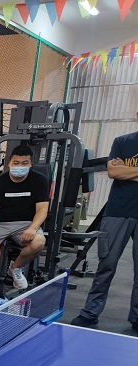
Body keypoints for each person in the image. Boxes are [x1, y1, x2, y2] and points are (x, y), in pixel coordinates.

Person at [71, 114, 138, 332]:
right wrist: (120, 171)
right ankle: (90, 313)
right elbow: (113, 171)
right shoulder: (122, 142)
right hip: (118, 210)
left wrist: (126, 171)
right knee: (106, 265)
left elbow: (120, 172)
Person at [0, 145, 49, 294]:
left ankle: (15, 268)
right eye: (16, 163)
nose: (20, 166)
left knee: (39, 242)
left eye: (24, 163)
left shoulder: (40, 181)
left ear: (30, 164)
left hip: (25, 224)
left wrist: (33, 228)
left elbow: (42, 209)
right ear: (10, 163)